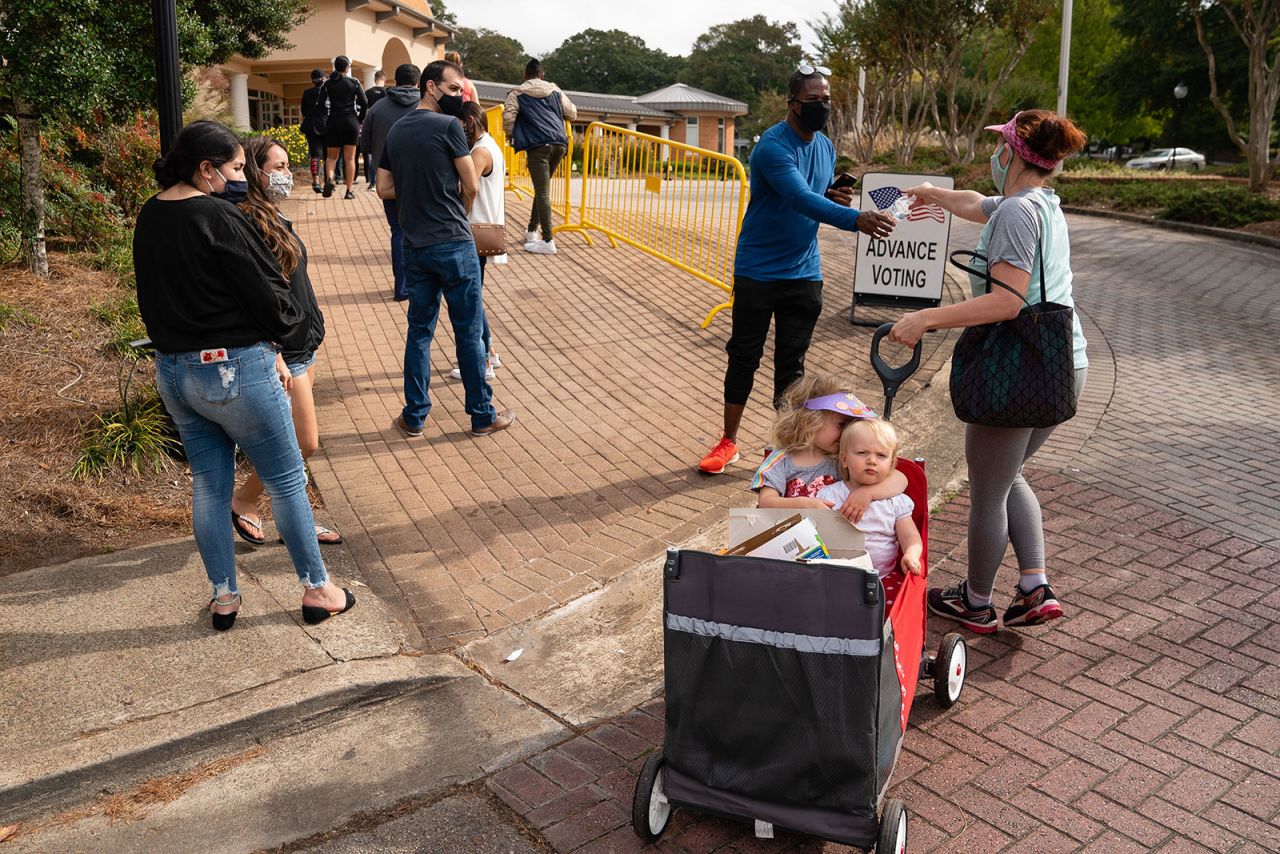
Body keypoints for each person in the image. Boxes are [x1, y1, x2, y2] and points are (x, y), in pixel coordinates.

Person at [133, 120, 355, 631]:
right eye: (235, 168)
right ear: (205, 168)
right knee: (287, 480)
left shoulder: (150, 214)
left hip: (175, 371)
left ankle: (224, 597)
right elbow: (270, 296)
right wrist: (283, 335)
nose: (241, 178)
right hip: (235, 369)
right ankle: (318, 589)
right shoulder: (216, 215)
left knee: (209, 487)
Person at [888, 109, 1088, 634]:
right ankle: (1033, 587)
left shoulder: (1018, 215)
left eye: (999, 147)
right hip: (1063, 364)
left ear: (1013, 154)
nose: (993, 155)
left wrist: (924, 320)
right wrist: (932, 192)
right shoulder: (1036, 202)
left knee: (988, 490)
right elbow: (974, 204)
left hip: (1022, 368)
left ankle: (975, 602)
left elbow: (1006, 301)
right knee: (1007, 474)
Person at [698, 65, 897, 476]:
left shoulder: (824, 146)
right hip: (758, 269)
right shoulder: (772, 147)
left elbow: (814, 194)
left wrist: (834, 195)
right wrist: (855, 218)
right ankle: (728, 441)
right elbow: (798, 197)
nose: (822, 107)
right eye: (813, 101)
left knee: (793, 365)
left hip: (804, 271)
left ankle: (780, 449)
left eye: (826, 100)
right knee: (744, 356)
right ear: (792, 104)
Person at [377, 59, 517, 438]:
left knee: (419, 331)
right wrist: (458, 210)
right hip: (454, 244)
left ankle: (415, 415)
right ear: (430, 87)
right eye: (454, 89)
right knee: (468, 331)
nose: (460, 96)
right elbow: (470, 184)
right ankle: (481, 415)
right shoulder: (449, 127)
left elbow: (383, 188)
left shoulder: (396, 131)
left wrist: (418, 192)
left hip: (415, 245)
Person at [228, 135, 341, 548]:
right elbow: (254, 295)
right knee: (302, 442)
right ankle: (244, 498)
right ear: (255, 172)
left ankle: (298, 519)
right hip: (284, 351)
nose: (285, 174)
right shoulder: (249, 221)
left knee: (293, 444)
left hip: (301, 345)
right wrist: (273, 346)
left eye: (287, 165)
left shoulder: (273, 215)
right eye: (276, 167)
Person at [751, 373, 906, 522]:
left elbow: (900, 480)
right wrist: (803, 505)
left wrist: (867, 493)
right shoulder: (781, 460)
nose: (847, 431)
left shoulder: (842, 457)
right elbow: (766, 502)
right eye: (841, 424)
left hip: (836, 540)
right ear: (810, 421)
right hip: (792, 541)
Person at [817, 418, 922, 607]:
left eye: (881, 455)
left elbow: (910, 535)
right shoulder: (831, 495)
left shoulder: (895, 501)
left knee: (894, 608)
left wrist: (911, 554)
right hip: (837, 575)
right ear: (844, 459)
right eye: (862, 453)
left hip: (883, 577)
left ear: (891, 465)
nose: (871, 460)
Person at [450, 101, 505, 382]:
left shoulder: (480, 151)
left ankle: (482, 361)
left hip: (475, 229)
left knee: (470, 299)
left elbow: (468, 189)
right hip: (486, 227)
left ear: (470, 121)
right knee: (474, 297)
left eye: (459, 124)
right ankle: (490, 353)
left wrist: (460, 216)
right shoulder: (489, 145)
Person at [360, 62, 422, 301]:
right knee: (422, 229)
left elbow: (364, 144)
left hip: (388, 177)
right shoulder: (427, 105)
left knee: (398, 230)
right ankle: (422, 283)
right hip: (421, 177)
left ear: (394, 81)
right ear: (418, 82)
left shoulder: (378, 108)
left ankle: (401, 287)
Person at [503, 59, 577, 255]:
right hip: (559, 144)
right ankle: (531, 231)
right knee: (541, 189)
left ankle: (548, 240)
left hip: (538, 146)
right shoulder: (555, 90)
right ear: (542, 75)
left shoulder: (517, 92)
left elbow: (508, 118)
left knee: (543, 192)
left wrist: (511, 136)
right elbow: (573, 113)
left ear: (525, 76)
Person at [322, 55, 367, 200]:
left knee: (331, 157)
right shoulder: (354, 82)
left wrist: (326, 119)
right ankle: (349, 191)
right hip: (350, 121)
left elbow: (321, 104)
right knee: (350, 159)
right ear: (347, 68)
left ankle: (329, 179)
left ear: (335, 67)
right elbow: (364, 102)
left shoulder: (327, 84)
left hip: (334, 121)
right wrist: (359, 118)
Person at [300, 69, 328, 194]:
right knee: (329, 156)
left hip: (311, 126)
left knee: (315, 155)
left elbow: (304, 111)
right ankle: (329, 180)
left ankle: (316, 181)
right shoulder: (328, 92)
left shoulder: (307, 92)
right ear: (323, 79)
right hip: (327, 125)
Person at [361, 69, 387, 190]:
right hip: (385, 124)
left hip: (371, 123)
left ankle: (373, 182)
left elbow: (364, 109)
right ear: (384, 79)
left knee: (372, 155)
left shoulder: (367, 93)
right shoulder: (388, 93)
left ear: (374, 79)